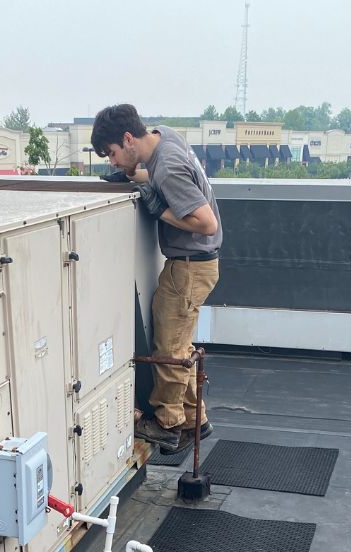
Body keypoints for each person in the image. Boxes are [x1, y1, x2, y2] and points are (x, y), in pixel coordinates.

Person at [91, 104, 222, 454]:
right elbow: (162, 179)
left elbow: (207, 224)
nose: (113, 162)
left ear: (128, 138)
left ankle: (168, 425)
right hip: (196, 265)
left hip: (189, 266)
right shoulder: (164, 136)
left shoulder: (166, 168)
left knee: (169, 350)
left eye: (113, 153)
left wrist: (159, 209)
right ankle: (196, 419)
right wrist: (136, 178)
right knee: (179, 344)